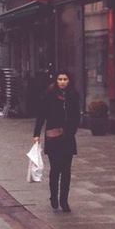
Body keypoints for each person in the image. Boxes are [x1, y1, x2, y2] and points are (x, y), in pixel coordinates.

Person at [32, 68, 82, 212]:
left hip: (68, 137)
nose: (62, 82)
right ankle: (54, 197)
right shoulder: (49, 95)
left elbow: (76, 117)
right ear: (56, 81)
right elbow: (41, 115)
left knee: (66, 170)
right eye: (60, 79)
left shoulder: (73, 95)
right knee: (55, 168)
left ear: (69, 81)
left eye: (65, 79)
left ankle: (64, 200)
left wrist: (72, 131)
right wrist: (36, 133)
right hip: (53, 136)